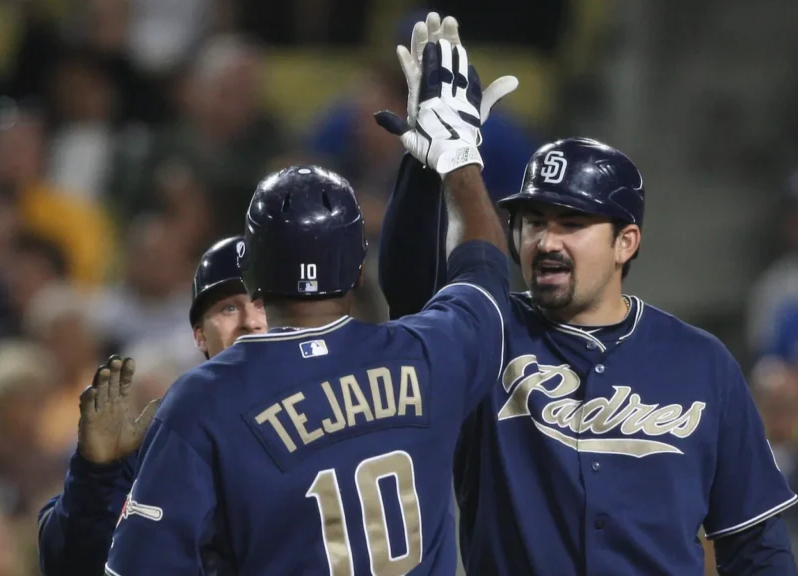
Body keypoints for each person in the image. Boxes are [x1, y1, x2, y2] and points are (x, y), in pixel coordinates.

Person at [376, 15, 798, 574]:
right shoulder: (490, 332)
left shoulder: (702, 363)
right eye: (531, 222)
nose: (545, 241)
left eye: (571, 222)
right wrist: (425, 162)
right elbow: (410, 290)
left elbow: (755, 543)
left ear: (626, 242)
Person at [105, 32, 514, 574]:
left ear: (250, 274)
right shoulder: (429, 353)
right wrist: (457, 160)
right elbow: (484, 266)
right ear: (357, 270)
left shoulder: (204, 399)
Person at [36, 235, 267, 575]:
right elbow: (67, 564)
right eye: (228, 307)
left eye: (263, 304)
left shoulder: (335, 410)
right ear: (199, 335)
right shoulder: (161, 438)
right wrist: (95, 474)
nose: (250, 321)